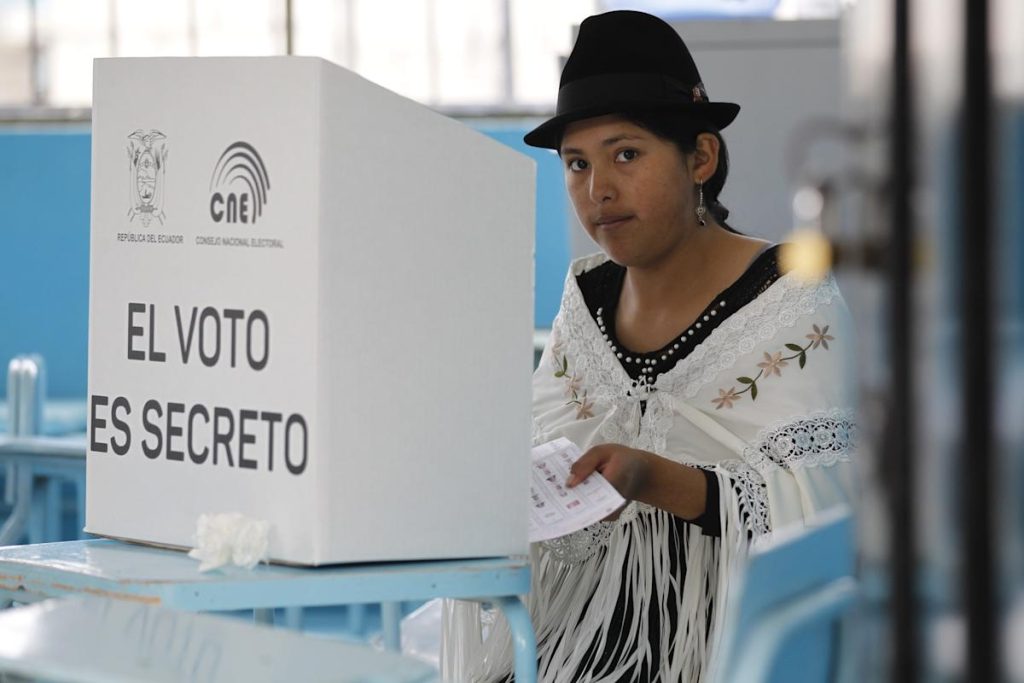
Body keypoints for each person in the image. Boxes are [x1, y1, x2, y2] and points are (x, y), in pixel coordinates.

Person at [444, 10, 858, 682]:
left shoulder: (791, 295)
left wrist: (655, 478)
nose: (598, 189)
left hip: (721, 655)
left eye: (626, 154)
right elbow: (543, 451)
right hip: (574, 644)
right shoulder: (587, 297)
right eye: (576, 164)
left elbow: (824, 507)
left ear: (701, 157)